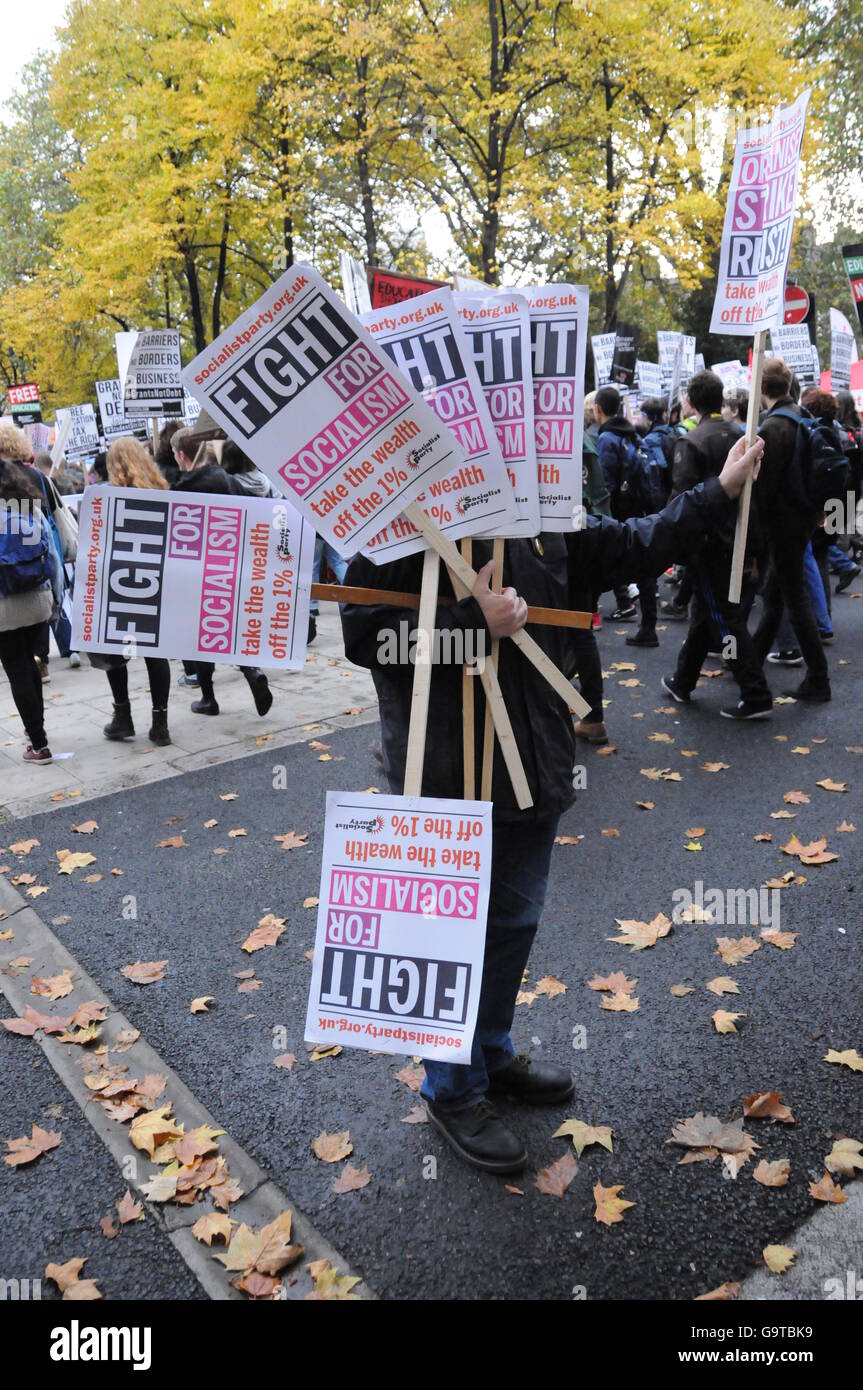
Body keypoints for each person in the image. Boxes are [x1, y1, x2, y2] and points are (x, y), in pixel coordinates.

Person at [340, 433, 763, 1172]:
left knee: (511, 922)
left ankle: (490, 1053)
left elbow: (632, 545)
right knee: (452, 939)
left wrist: (718, 489)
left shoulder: (539, 510)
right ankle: (451, 1088)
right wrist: (472, 626)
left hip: (531, 764)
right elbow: (366, 638)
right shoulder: (400, 520)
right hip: (442, 772)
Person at [662, 369, 772, 719]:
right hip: (735, 539)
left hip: (709, 545)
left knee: (723, 618)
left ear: (691, 402)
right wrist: (754, 549)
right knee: (706, 612)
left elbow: (681, 504)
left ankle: (755, 692)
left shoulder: (693, 442)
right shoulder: (741, 437)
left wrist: (675, 550)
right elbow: (753, 500)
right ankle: (683, 680)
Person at [169, 427, 273, 718]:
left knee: (200, 633)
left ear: (181, 455)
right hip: (233, 565)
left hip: (197, 570)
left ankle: (208, 697)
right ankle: (252, 671)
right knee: (232, 624)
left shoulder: (180, 487)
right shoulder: (226, 479)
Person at [750, 359, 831, 702]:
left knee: (793, 600)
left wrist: (752, 544)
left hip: (782, 525)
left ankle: (818, 678)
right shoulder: (802, 417)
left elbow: (762, 492)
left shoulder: (773, 428)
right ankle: (749, 663)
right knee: (775, 596)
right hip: (801, 520)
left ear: (762, 389)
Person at [93, 439, 173, 747]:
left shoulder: (103, 496)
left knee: (116, 653)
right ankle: (160, 724)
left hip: (120, 585)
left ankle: (123, 717)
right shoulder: (163, 493)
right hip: (155, 582)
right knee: (156, 652)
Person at [0, 453, 64, 763]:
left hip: (3, 605)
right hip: (37, 596)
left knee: (17, 668)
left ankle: (38, 743)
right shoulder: (25, 506)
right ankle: (36, 732)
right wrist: (56, 597)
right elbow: (50, 554)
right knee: (31, 662)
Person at [594, 385, 646, 628]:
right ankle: (626, 601)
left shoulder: (606, 438)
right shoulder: (629, 433)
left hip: (614, 506)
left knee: (605, 553)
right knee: (613, 553)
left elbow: (604, 481)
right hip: (632, 502)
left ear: (598, 410)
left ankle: (621, 603)